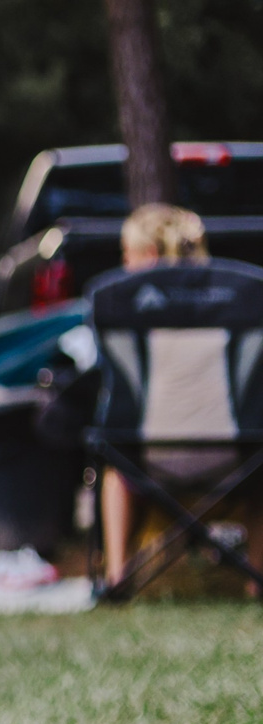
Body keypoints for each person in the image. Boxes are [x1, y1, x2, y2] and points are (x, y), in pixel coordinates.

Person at [96, 202, 211, 586]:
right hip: (236, 459)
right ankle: (254, 579)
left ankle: (117, 578)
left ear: (148, 255)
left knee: (115, 469)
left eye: (127, 254)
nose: (125, 263)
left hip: (153, 458)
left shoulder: (126, 314)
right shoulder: (232, 302)